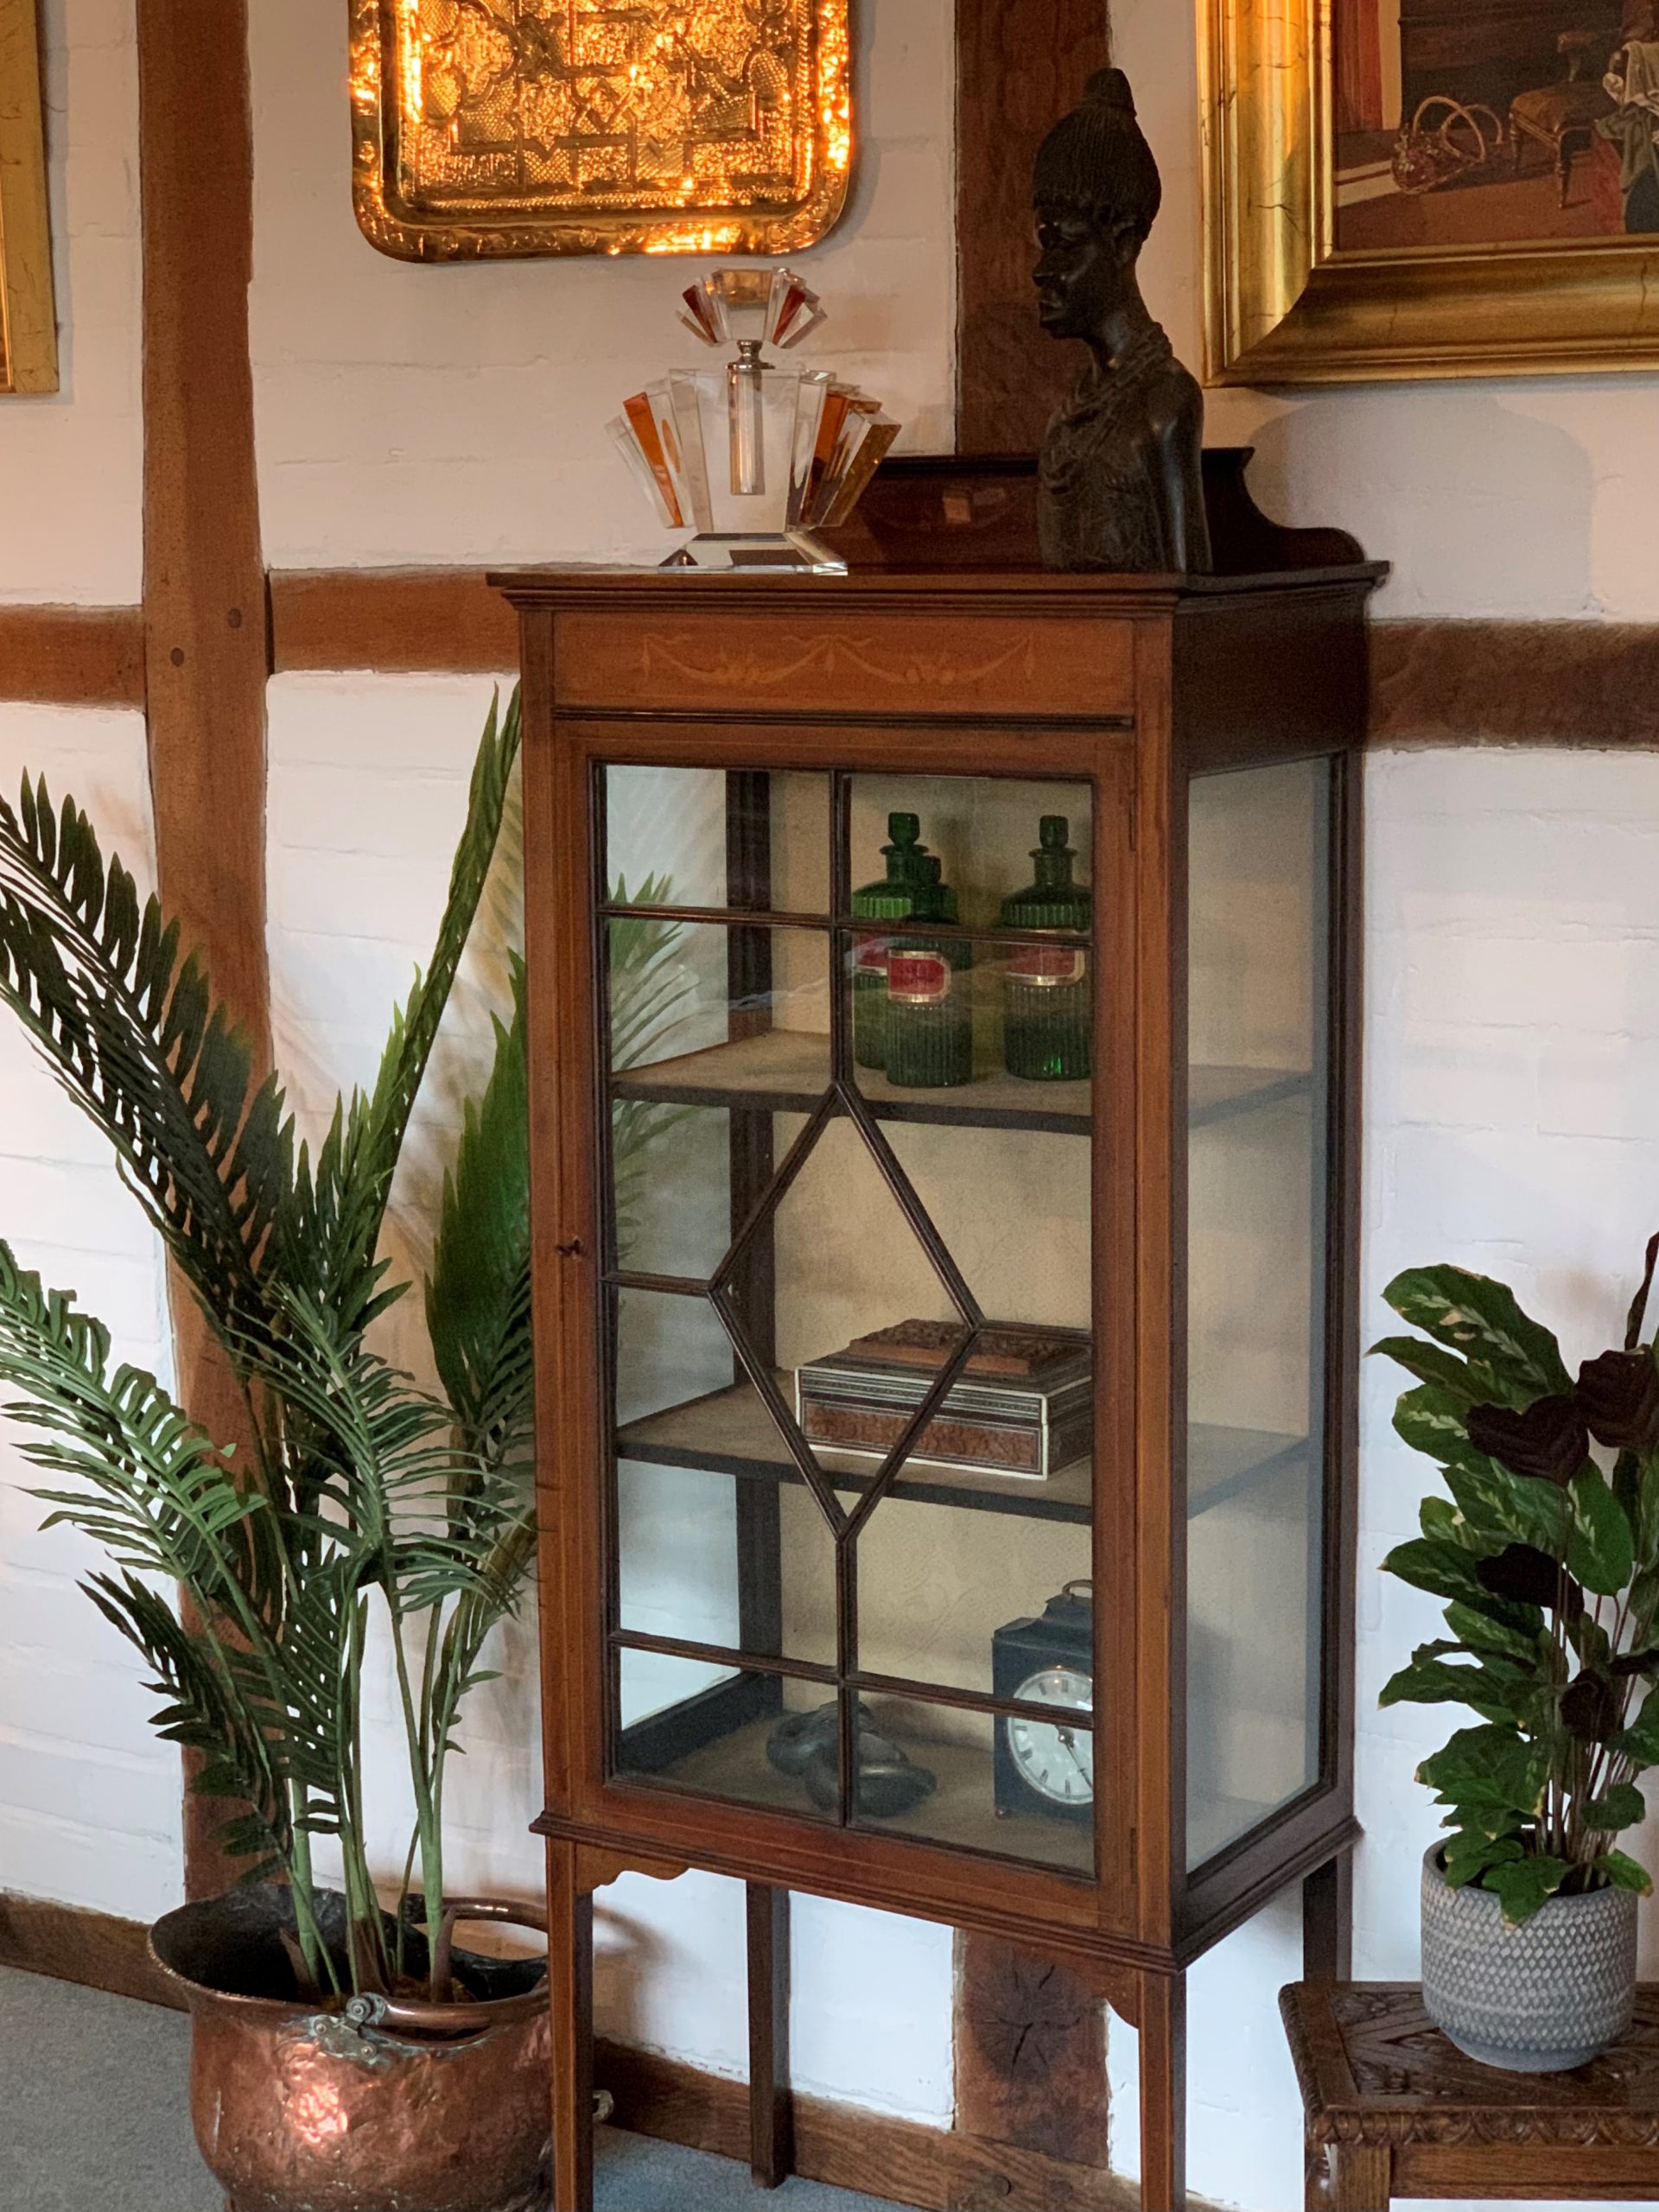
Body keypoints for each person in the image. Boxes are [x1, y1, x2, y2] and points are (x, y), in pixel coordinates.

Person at [1032, 69, 1212, 575]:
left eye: (1065, 245)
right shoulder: (1070, 415)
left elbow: (1185, 593)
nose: (1041, 271)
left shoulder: (1165, 403)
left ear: (1123, 243)